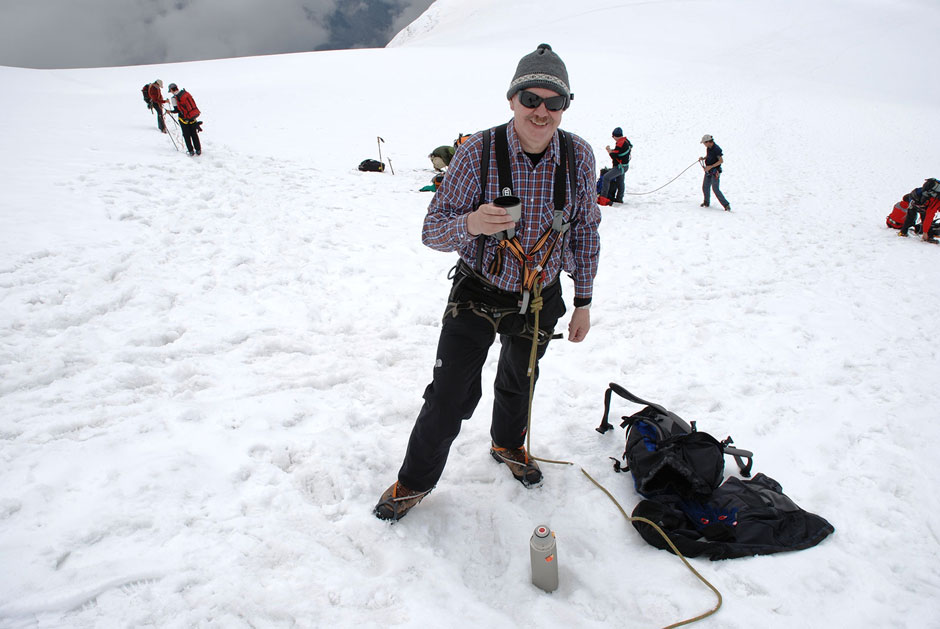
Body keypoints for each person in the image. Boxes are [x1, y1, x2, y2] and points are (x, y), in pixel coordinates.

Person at [375, 43, 601, 521]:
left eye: (553, 102)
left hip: (540, 297)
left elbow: (584, 231)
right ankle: (413, 483)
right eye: (531, 99)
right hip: (477, 290)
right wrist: (472, 224)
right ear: (513, 99)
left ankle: (507, 444)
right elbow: (431, 229)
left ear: (565, 106)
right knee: (450, 393)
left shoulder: (578, 156)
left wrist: (583, 300)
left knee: (521, 381)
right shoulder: (477, 151)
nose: (541, 111)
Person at [898, 177, 940, 243]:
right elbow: (929, 216)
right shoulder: (935, 201)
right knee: (913, 217)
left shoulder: (934, 196)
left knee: (918, 216)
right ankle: (904, 233)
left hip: (916, 198)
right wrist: (925, 232)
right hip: (916, 200)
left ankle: (922, 232)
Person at [598, 127, 632, 205]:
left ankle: (603, 198)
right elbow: (620, 152)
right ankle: (619, 198)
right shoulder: (625, 141)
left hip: (620, 167)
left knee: (606, 177)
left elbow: (614, 155)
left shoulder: (620, 143)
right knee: (620, 181)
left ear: (615, 136)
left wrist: (609, 150)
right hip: (624, 166)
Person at [168, 83, 202, 156]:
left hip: (183, 119)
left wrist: (169, 111)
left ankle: (191, 151)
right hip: (192, 116)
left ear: (171, 90)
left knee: (187, 135)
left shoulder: (174, 98)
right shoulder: (185, 93)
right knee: (194, 134)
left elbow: (176, 110)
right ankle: (198, 150)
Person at [699, 134, 731, 211]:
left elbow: (721, 161)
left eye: (704, 143)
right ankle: (706, 202)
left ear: (708, 142)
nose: (704, 145)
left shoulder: (717, 149)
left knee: (715, 189)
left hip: (715, 171)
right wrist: (703, 158)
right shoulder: (708, 148)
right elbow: (709, 156)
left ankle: (726, 205)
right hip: (708, 171)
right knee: (705, 187)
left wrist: (711, 166)